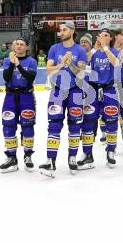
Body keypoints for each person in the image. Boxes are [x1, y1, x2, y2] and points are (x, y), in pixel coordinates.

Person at [39, 21, 87, 177]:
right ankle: (50, 160)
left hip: (75, 92)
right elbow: (48, 71)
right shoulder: (54, 48)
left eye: (64, 29)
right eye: (60, 30)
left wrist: (70, 62)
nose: (61, 32)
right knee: (53, 126)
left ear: (72, 31)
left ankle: (72, 157)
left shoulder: (80, 50)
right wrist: (61, 64)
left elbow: (80, 74)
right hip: (58, 92)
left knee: (75, 126)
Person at [78, 28, 120, 169]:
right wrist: (95, 48)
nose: (103, 37)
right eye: (101, 35)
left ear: (110, 38)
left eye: (107, 35)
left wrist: (105, 48)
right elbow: (84, 62)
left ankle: (111, 151)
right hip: (92, 90)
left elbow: (116, 63)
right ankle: (87, 155)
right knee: (88, 122)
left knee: (112, 121)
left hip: (109, 89)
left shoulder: (113, 51)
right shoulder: (93, 53)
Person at [0, 37, 37, 173]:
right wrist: (11, 63)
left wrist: (18, 65)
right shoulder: (6, 61)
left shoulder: (31, 61)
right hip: (10, 97)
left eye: (22, 44)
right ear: (13, 47)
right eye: (17, 44)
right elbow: (6, 77)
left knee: (28, 126)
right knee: (8, 126)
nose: (19, 46)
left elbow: (30, 78)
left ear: (27, 47)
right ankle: (11, 158)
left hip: (26, 96)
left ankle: (28, 155)